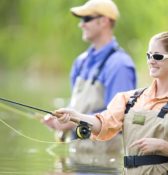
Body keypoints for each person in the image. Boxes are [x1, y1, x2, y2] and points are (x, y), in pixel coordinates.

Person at [53, 32, 168, 175]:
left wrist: (163, 146)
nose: (151, 61)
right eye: (149, 55)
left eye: (158, 56)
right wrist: (76, 116)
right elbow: (104, 124)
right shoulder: (129, 98)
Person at [43, 0, 136, 170]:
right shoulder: (81, 62)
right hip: (77, 157)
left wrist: (71, 121)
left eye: (86, 19)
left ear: (104, 21)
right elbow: (76, 105)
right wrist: (59, 121)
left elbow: (118, 118)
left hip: (105, 161)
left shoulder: (120, 65)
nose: (81, 25)